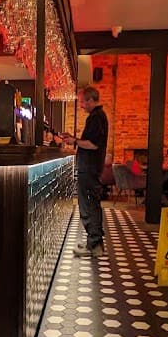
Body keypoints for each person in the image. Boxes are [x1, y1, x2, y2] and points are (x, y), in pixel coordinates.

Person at [63, 86, 109, 258]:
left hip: (89, 169)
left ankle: (94, 246)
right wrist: (74, 139)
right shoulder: (97, 117)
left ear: (90, 100)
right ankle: (94, 243)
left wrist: (74, 140)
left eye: (82, 101)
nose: (81, 105)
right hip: (90, 169)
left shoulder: (97, 117)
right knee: (91, 205)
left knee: (89, 206)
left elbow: (93, 144)